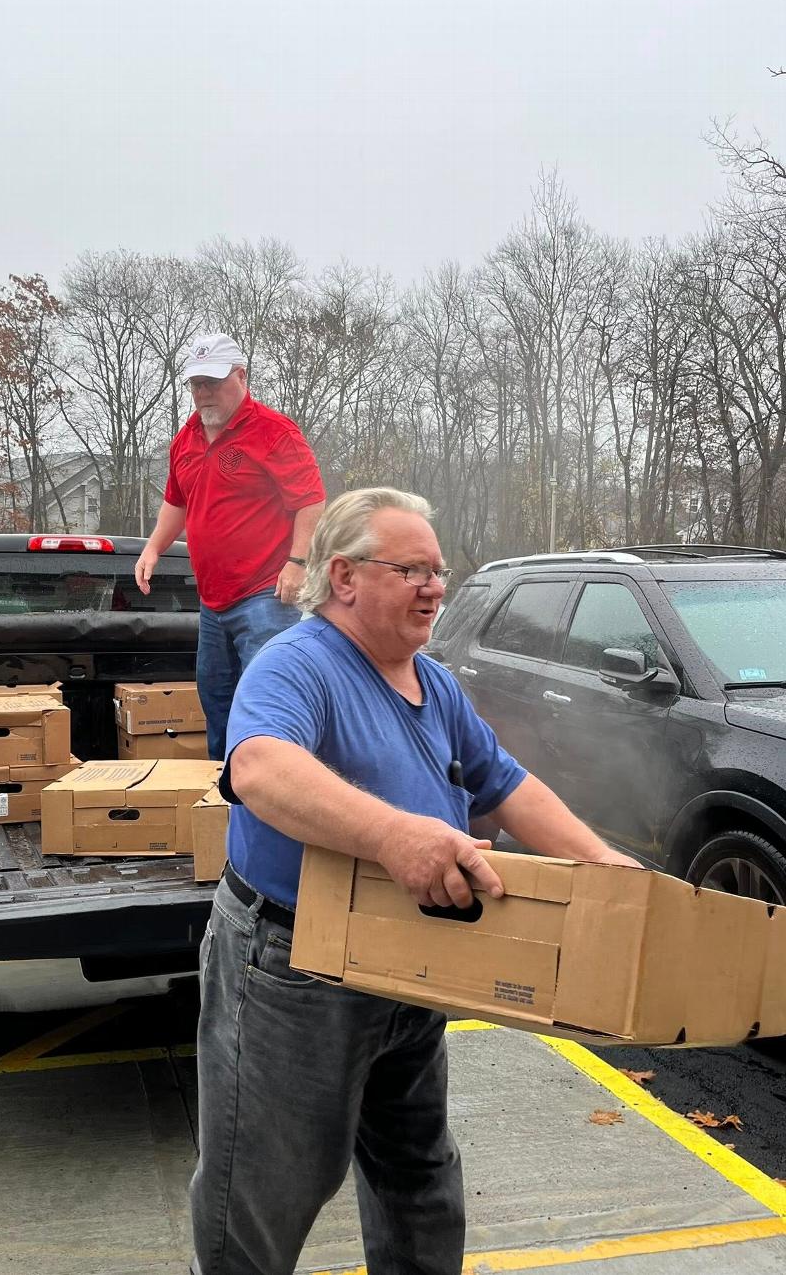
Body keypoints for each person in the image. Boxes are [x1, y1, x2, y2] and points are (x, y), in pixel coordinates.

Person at [189, 487, 641, 1275]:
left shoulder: (433, 683)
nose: (435, 586)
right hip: (293, 967)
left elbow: (505, 784)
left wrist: (611, 872)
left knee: (419, 1180)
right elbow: (259, 768)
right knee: (267, 1188)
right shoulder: (297, 665)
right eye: (412, 569)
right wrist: (397, 835)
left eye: (439, 570)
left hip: (404, 961)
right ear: (345, 577)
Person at [134, 333, 325, 760]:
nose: (203, 393)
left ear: (241, 376)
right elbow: (176, 501)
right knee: (216, 698)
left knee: (267, 702)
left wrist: (297, 563)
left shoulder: (274, 431)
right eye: (196, 384)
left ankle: (277, 797)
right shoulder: (186, 438)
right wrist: (152, 550)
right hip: (212, 603)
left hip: (265, 597)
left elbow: (310, 499)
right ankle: (225, 795)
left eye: (213, 382)